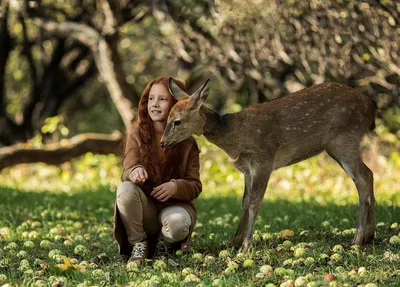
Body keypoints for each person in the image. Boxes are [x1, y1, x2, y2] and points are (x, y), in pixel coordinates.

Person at [113, 76, 202, 264]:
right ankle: (139, 244)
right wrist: (134, 171)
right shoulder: (137, 134)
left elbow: (195, 185)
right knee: (125, 190)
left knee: (178, 223)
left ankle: (164, 244)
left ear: (176, 104)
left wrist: (175, 187)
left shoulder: (188, 143)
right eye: (151, 99)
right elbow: (127, 169)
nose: (154, 104)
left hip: (174, 208)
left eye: (162, 99)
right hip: (146, 211)